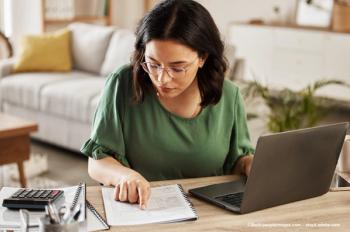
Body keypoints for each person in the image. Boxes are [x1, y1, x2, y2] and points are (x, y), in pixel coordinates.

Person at [81, 0, 255, 210]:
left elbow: (237, 161)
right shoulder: (123, 83)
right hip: (142, 210)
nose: (162, 78)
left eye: (177, 67)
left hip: (211, 213)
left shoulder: (229, 95)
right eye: (153, 64)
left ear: (202, 58)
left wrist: (249, 164)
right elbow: (97, 161)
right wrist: (125, 176)